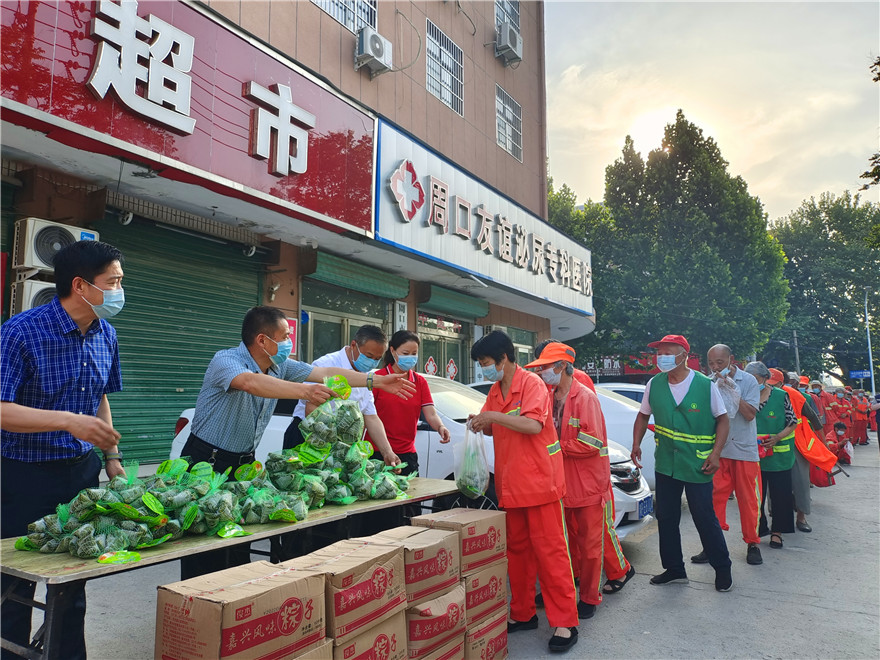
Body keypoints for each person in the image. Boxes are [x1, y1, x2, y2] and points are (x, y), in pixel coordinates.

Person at [179, 310, 414, 578]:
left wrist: (376, 380)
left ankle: (234, 596)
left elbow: (325, 373)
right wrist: (305, 390)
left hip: (244, 464)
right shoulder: (226, 360)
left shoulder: (280, 367)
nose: (289, 342)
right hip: (207, 461)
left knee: (238, 542)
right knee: (203, 544)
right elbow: (250, 382)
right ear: (262, 340)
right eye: (285, 336)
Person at [1, 240, 127, 660]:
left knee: (74, 580)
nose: (119, 290)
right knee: (13, 584)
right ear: (80, 285)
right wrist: (68, 421)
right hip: (22, 476)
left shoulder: (106, 333)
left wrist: (112, 457)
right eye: (113, 282)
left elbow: (100, 396)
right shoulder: (21, 332)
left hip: (80, 474)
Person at [468, 330, 579, 653]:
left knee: (551, 553)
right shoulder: (495, 390)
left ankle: (565, 622)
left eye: (486, 362)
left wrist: (493, 416)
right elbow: (495, 427)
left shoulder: (532, 385)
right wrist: (481, 421)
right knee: (517, 553)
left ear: (504, 358)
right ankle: (522, 612)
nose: (484, 368)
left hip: (540, 484)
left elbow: (533, 424)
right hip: (511, 485)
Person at [525, 343, 634, 620]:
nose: (542, 372)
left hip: (587, 484)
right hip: (562, 483)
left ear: (562, 366)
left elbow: (592, 441)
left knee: (591, 546)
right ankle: (566, 589)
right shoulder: (550, 395)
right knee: (566, 543)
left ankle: (589, 597)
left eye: (545, 367)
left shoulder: (584, 397)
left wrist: (556, 448)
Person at [631, 334, 733, 592]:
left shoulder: (704, 385)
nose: (661, 358)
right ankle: (674, 569)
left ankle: (723, 568)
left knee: (704, 516)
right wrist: (636, 444)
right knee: (666, 517)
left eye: (667, 353)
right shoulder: (654, 383)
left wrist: (716, 454)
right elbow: (643, 416)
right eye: (659, 353)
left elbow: (723, 420)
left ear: (684, 356)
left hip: (698, 464)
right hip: (667, 463)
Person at [691, 344, 763, 566]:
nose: (715, 367)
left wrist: (732, 391)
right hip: (718, 451)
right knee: (713, 500)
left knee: (748, 500)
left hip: (744, 450)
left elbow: (750, 414)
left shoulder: (748, 381)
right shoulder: (708, 382)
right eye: (711, 363)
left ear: (731, 359)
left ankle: (753, 543)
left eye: (720, 362)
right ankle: (712, 545)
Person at [372, 329, 451, 477]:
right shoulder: (378, 379)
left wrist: (441, 427)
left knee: (411, 491)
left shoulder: (420, 382)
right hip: (377, 453)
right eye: (405, 353)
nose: (410, 357)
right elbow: (367, 415)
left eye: (414, 353)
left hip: (407, 454)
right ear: (393, 351)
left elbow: (431, 414)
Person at [745, 364, 797, 550]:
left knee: (780, 496)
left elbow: (792, 422)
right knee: (754, 497)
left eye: (755, 378)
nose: (752, 382)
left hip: (778, 457)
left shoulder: (781, 396)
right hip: (752, 456)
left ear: (765, 378)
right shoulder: (744, 396)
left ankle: (777, 532)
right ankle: (759, 529)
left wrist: (777, 438)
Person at [781, 371, 823, 534]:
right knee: (776, 484)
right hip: (775, 445)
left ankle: (801, 517)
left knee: (801, 481)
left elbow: (815, 419)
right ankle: (778, 518)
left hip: (799, 444)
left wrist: (824, 444)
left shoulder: (800, 397)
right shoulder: (765, 396)